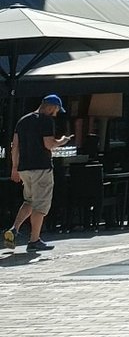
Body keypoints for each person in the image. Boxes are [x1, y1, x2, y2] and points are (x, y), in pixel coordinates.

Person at [6, 92, 64, 254]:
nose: (56, 113)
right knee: (41, 205)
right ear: (51, 107)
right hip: (41, 168)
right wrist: (62, 141)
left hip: (24, 168)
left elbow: (15, 146)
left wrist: (14, 168)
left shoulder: (23, 120)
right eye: (57, 110)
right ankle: (34, 240)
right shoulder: (46, 121)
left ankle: (14, 229)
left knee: (29, 200)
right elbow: (48, 144)